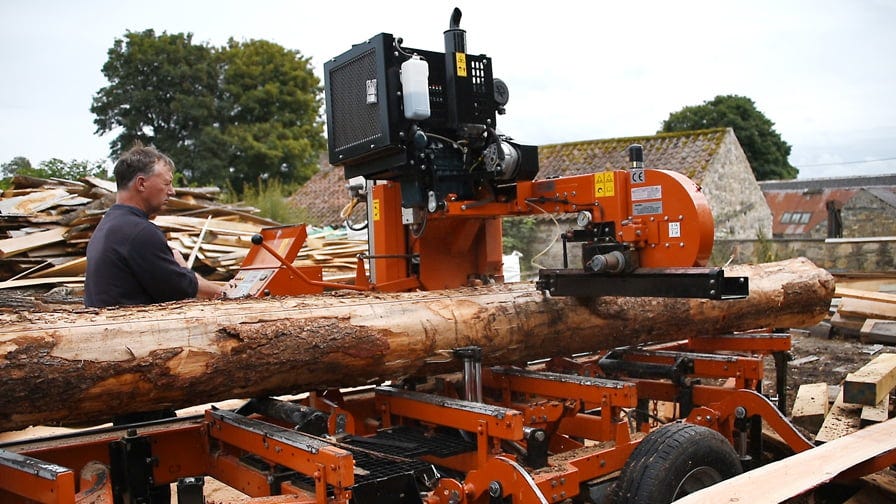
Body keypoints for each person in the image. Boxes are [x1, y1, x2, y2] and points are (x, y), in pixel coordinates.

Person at [84, 146, 224, 307]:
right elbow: (179, 289)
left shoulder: (108, 224)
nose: (172, 191)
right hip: (131, 329)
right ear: (141, 184)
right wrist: (224, 293)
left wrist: (182, 271)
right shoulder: (139, 232)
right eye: (167, 183)